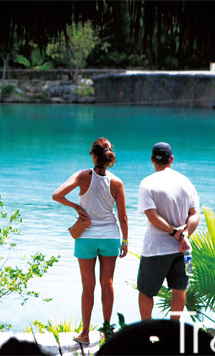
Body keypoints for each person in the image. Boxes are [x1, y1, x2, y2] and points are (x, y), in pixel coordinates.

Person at [52, 137, 129, 344]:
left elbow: (57, 195)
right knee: (108, 283)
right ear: (108, 157)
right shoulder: (117, 182)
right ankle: (107, 333)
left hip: (85, 237)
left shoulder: (82, 176)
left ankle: (85, 334)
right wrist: (126, 241)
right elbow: (122, 217)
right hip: (110, 237)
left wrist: (77, 207)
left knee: (88, 285)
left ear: (94, 156)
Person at [137, 142, 200, 321]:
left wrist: (174, 232)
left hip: (155, 248)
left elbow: (152, 216)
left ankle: (146, 331)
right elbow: (195, 214)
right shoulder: (186, 182)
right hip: (183, 248)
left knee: (146, 292)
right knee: (179, 289)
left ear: (152, 159)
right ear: (171, 159)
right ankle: (174, 332)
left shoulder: (147, 183)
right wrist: (185, 235)